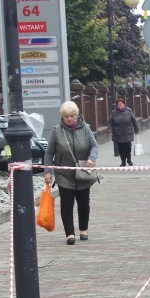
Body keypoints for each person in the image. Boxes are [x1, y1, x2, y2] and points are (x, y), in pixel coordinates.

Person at [44, 101, 99, 245]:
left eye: (72, 116)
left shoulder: (86, 129)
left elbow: (94, 146)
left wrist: (91, 159)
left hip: (83, 171)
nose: (70, 119)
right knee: (66, 204)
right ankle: (69, 234)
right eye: (67, 116)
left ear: (77, 115)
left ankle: (83, 229)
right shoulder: (57, 131)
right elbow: (49, 153)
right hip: (64, 173)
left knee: (83, 203)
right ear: (62, 117)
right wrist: (48, 172)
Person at [108, 98, 139, 167]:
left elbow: (134, 120)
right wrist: (110, 131)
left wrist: (136, 130)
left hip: (128, 131)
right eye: (118, 104)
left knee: (128, 146)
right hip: (118, 133)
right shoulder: (114, 112)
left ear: (124, 104)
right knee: (121, 148)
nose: (120, 105)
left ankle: (129, 159)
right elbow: (110, 122)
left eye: (121, 103)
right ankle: (123, 161)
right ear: (116, 105)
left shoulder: (129, 111)